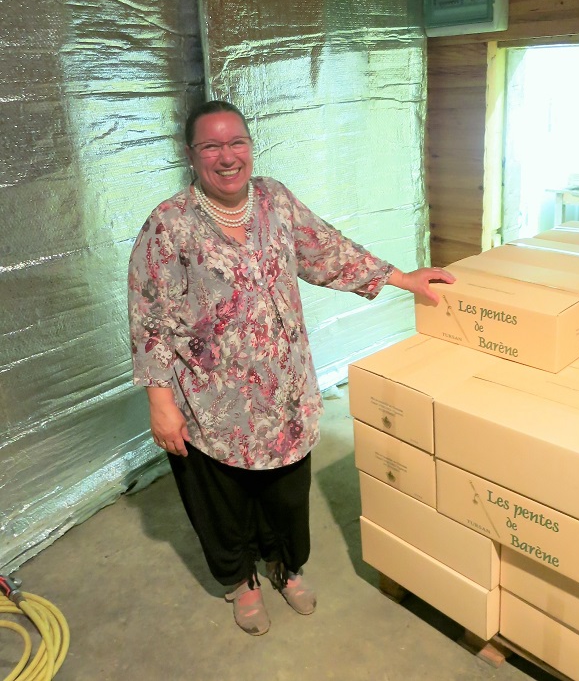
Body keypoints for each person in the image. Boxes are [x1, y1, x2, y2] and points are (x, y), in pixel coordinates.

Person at [128, 99, 455, 636]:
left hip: (284, 393)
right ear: (192, 155)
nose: (226, 156)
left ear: (250, 146)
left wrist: (402, 278)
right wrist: (160, 403)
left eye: (236, 142)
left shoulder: (274, 199)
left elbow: (328, 250)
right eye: (211, 145)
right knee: (223, 499)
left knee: (284, 494)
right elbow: (149, 317)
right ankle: (240, 581)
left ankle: (284, 566)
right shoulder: (168, 225)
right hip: (211, 403)